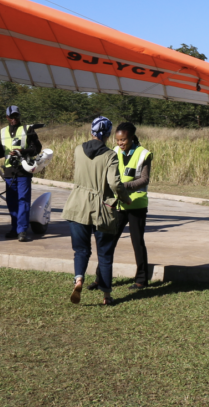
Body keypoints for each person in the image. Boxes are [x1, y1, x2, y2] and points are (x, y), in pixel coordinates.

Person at [63, 116, 132, 306]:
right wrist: (126, 198)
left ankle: (78, 280)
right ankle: (106, 296)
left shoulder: (78, 150)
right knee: (105, 254)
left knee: (81, 250)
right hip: (101, 208)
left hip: (77, 205)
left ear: (91, 131)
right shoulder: (110, 155)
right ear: (108, 134)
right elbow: (114, 183)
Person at [0, 105, 41, 242]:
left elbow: (37, 148)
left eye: (16, 116)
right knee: (12, 202)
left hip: (23, 170)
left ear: (19, 116)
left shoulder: (28, 129)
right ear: (6, 117)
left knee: (23, 200)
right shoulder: (3, 132)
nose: (14, 119)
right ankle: (14, 228)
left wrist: (23, 152)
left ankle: (22, 230)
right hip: (9, 172)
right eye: (11, 117)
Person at [112, 122, 152, 290]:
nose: (120, 143)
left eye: (124, 140)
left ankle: (141, 279)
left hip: (136, 205)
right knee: (109, 241)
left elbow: (144, 179)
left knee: (137, 242)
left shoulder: (144, 154)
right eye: (118, 140)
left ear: (132, 138)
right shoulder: (114, 151)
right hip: (119, 204)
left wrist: (124, 186)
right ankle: (101, 278)